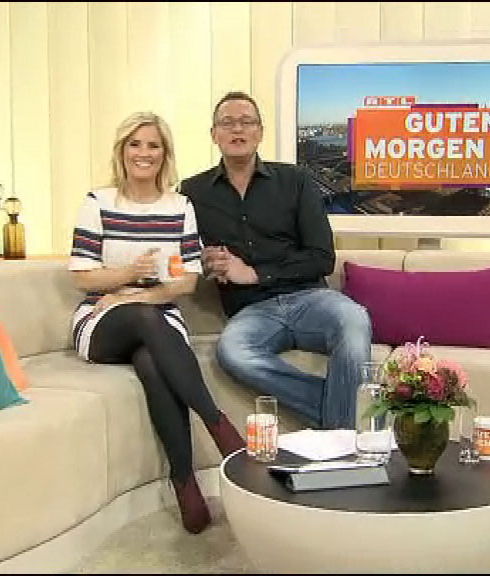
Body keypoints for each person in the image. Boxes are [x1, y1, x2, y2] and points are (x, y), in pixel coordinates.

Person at [68, 111, 244, 534]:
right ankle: (219, 427)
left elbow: (186, 283)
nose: (143, 153)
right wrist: (130, 275)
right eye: (135, 144)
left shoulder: (179, 206)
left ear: (164, 154)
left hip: (159, 318)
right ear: (122, 151)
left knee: (151, 361)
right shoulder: (98, 202)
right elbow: (82, 277)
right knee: (145, 321)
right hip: (102, 317)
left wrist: (141, 294)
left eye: (153, 145)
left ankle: (186, 487)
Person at [180, 91, 372, 430]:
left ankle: (340, 428)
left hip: (311, 299)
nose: (237, 129)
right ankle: (348, 418)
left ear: (260, 132)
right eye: (227, 123)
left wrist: (255, 273)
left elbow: (322, 257)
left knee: (354, 320)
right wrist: (205, 261)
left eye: (246, 122)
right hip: (252, 311)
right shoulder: (193, 192)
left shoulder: (295, 180)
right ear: (214, 134)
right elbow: (183, 254)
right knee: (233, 352)